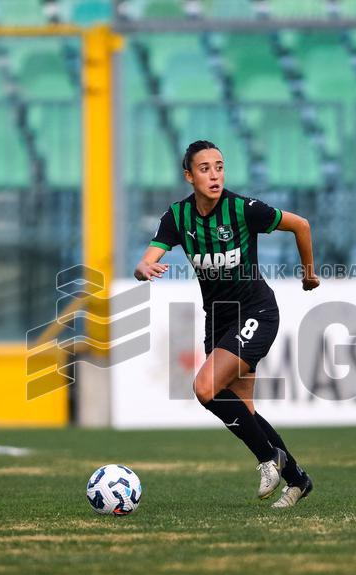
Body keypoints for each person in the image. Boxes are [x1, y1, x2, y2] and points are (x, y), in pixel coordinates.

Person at [133, 140, 320, 508]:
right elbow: (147, 259)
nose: (214, 174)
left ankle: (268, 459)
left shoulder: (243, 209)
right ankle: (297, 480)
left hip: (256, 310)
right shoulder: (178, 217)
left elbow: (301, 225)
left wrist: (309, 274)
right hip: (218, 319)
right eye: (204, 168)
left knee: (204, 387)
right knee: (244, 410)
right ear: (189, 176)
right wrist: (143, 269)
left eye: (219, 166)